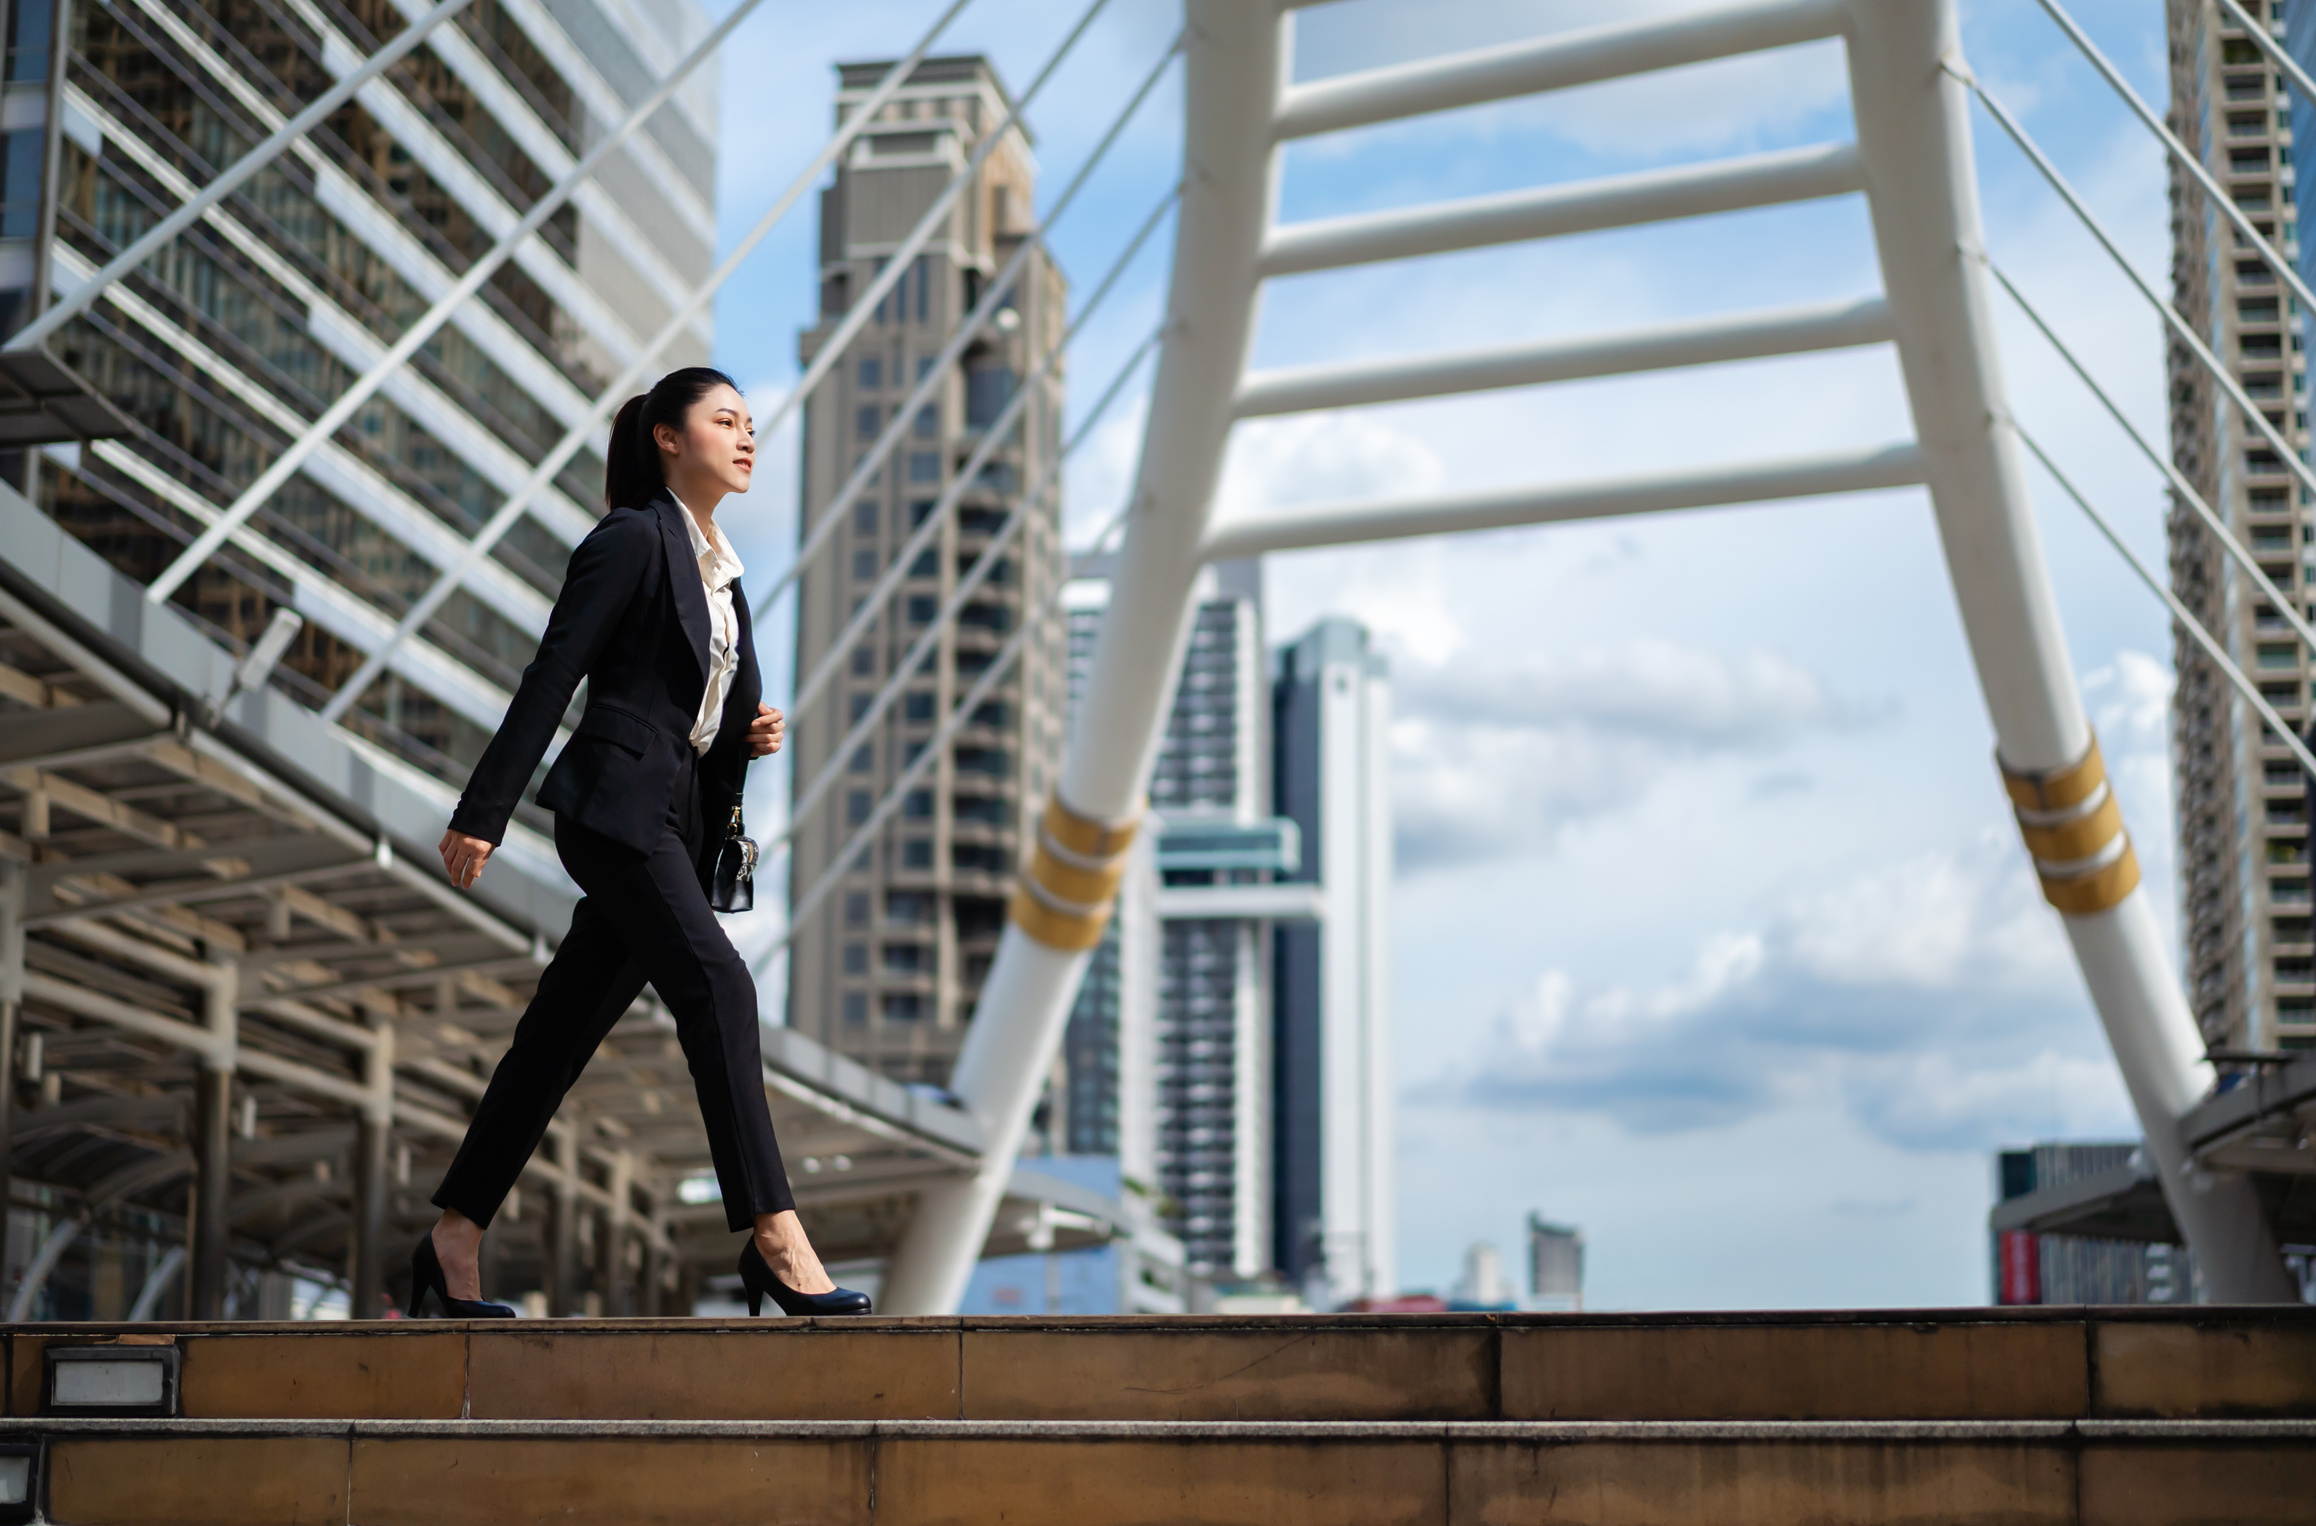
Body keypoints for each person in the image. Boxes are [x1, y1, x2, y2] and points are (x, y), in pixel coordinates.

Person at [411, 366, 869, 1319]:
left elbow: (692, 705)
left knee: (555, 1039)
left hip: (672, 820)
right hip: (616, 810)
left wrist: (746, 725)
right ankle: (775, 1237)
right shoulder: (631, 538)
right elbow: (557, 672)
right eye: (724, 421)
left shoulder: (725, 573)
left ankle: (451, 1240)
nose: (747, 438)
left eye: (751, 425)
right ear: (668, 437)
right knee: (719, 985)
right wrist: (483, 809)